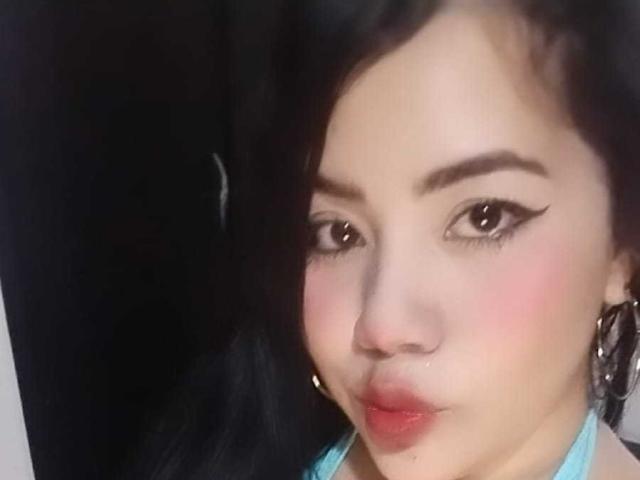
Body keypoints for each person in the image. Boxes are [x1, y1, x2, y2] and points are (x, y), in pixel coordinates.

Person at [133, 1, 640, 479]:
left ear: (623, 247)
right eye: (335, 232)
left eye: (483, 218)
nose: (383, 325)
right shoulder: (243, 438)